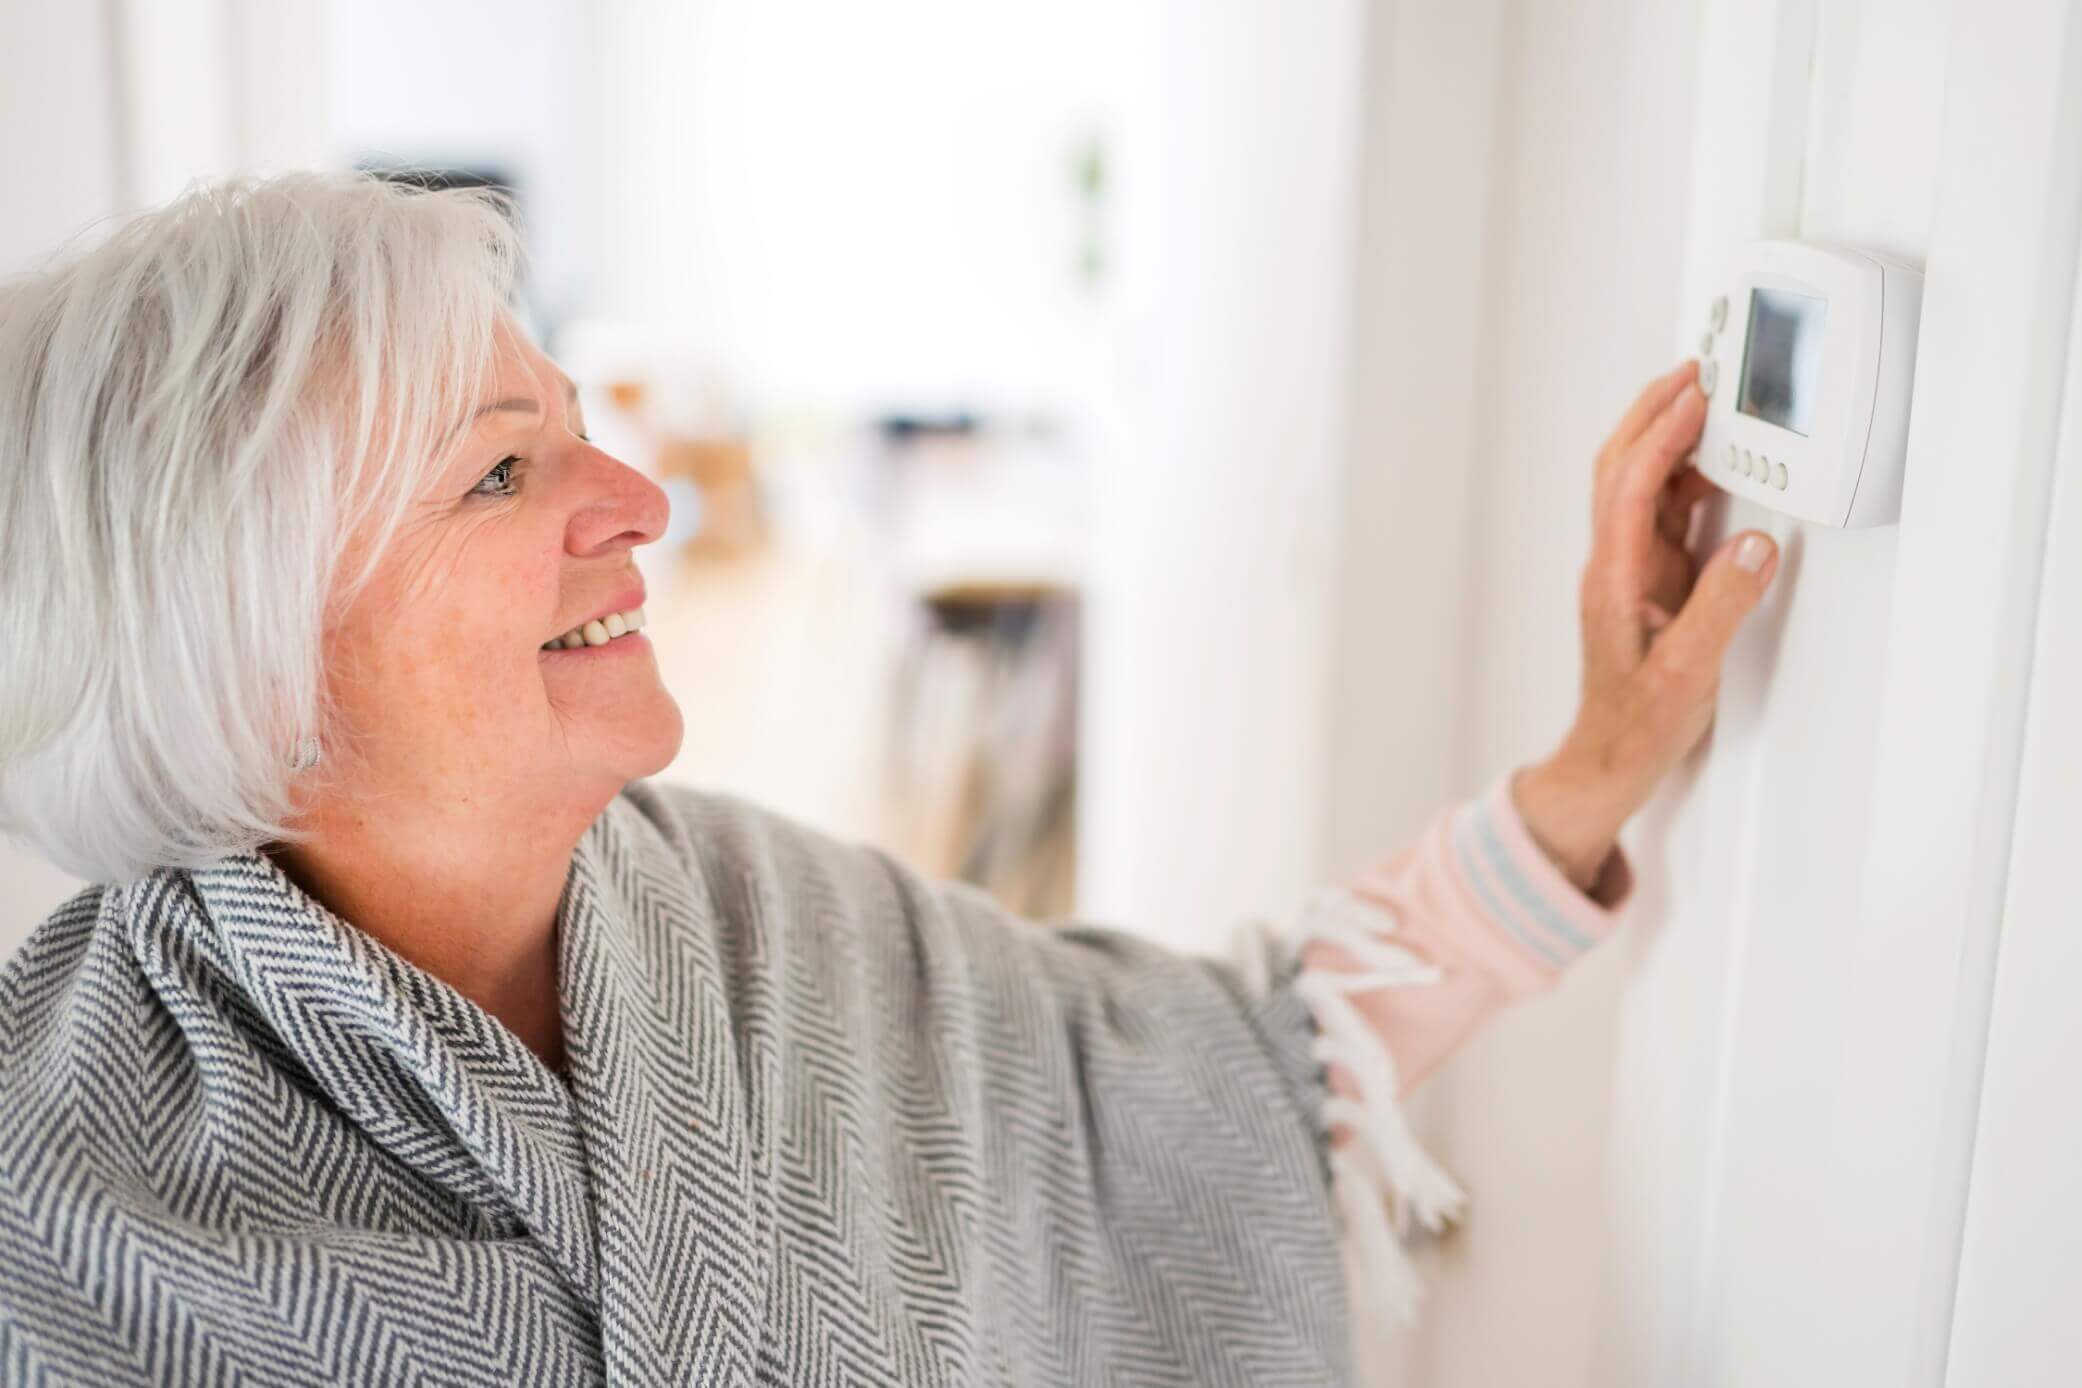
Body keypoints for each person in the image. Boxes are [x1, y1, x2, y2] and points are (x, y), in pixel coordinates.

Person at [0, 172, 1776, 1387]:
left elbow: (1214, 1075)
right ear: (242, 660)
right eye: (499, 474)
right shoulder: (56, 1217)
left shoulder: (770, 927)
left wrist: (1592, 767)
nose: (636, 498)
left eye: (577, 422)